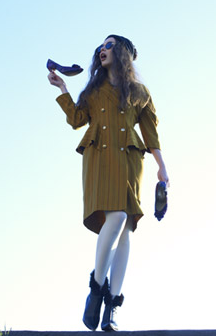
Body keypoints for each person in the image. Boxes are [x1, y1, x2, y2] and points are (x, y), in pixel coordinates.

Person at [48, 34, 169, 332]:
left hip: (129, 159)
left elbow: (151, 132)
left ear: (123, 52)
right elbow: (77, 119)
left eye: (110, 45)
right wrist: (63, 89)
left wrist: (162, 167)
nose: (103, 49)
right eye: (101, 46)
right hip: (99, 157)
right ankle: (97, 289)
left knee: (125, 229)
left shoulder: (140, 92)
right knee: (117, 217)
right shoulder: (93, 90)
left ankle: (111, 308)